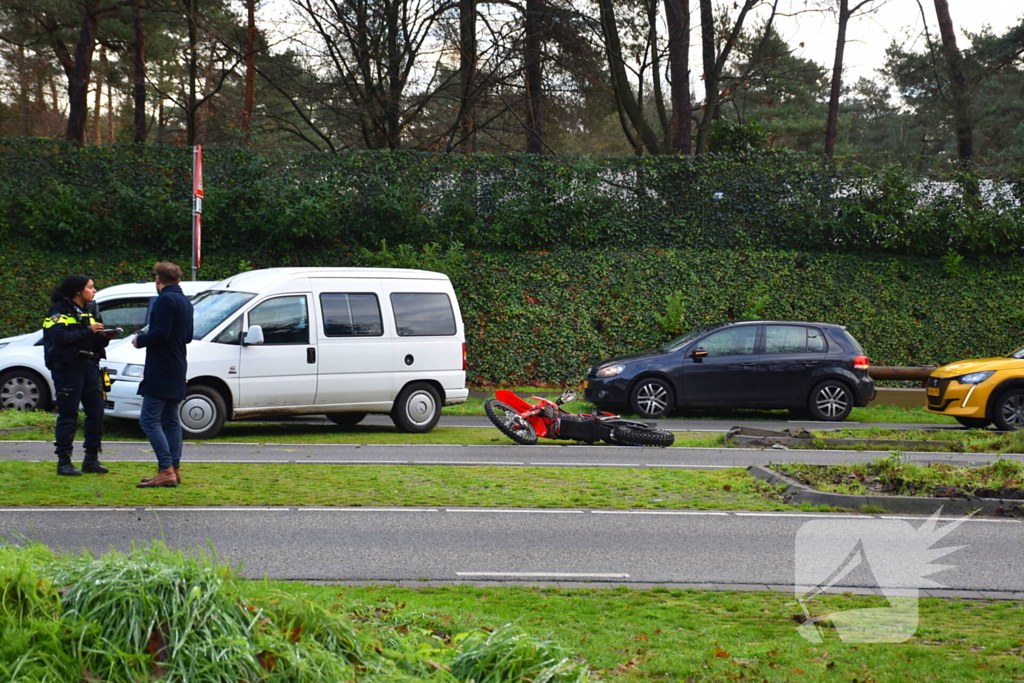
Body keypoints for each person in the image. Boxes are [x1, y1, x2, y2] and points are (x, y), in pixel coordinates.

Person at [42, 274, 116, 476]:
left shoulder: (91, 309)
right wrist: (89, 331)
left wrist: (104, 337)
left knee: (97, 411)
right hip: (68, 367)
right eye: (90, 287)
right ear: (77, 291)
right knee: (68, 414)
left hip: (90, 365)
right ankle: (64, 462)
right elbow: (58, 338)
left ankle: (91, 459)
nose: (94, 290)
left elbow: (93, 336)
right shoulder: (59, 311)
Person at [134, 262, 194, 488]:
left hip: (161, 366)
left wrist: (140, 340)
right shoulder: (186, 302)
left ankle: (165, 468)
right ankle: (174, 469)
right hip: (178, 364)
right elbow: (187, 336)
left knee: (148, 420)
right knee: (171, 420)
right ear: (178, 279)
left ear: (158, 280)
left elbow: (160, 334)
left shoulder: (164, 300)